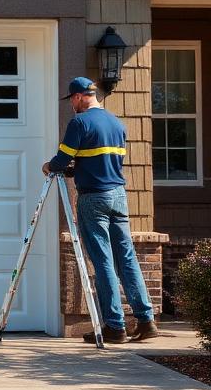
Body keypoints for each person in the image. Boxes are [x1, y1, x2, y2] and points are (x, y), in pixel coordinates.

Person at [43, 77, 158, 344]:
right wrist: (77, 170)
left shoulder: (80, 123)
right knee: (127, 258)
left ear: (79, 96)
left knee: (103, 260)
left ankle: (115, 327)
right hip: (118, 195)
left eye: (72, 99)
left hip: (93, 198)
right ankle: (146, 320)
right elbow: (102, 161)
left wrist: (49, 166)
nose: (71, 104)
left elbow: (62, 160)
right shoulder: (117, 123)